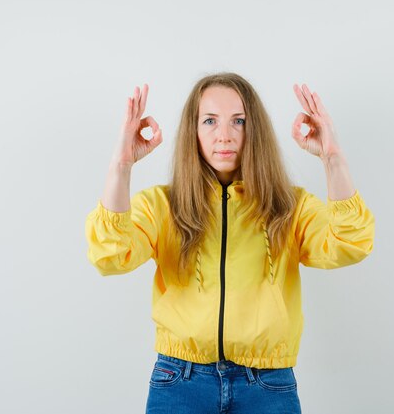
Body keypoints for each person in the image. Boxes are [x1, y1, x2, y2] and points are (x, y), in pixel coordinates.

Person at [85, 72, 375, 413]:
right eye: (210, 121)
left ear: (256, 131)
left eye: (238, 121)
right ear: (192, 130)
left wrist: (333, 157)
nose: (224, 135)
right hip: (180, 381)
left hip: (268, 385)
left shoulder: (289, 207)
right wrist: (122, 165)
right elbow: (110, 255)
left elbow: (350, 242)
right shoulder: (163, 206)